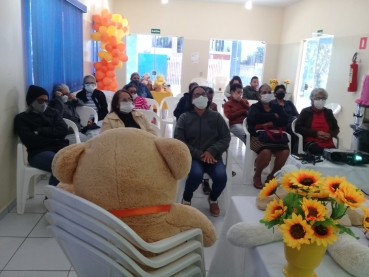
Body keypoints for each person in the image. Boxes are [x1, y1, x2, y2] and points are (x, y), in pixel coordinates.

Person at [175, 86, 231, 217]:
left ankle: (213, 199)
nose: (200, 97)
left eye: (203, 94)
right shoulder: (184, 117)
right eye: (196, 95)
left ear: (207, 97)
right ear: (191, 98)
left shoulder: (216, 117)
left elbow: (226, 137)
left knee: (221, 177)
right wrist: (198, 154)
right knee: (195, 175)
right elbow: (179, 140)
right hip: (193, 156)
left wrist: (212, 150)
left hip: (213, 156)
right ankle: (187, 198)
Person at [14, 85, 69, 186]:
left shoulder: (53, 112)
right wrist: (54, 137)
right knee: (60, 164)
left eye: (46, 101)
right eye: (40, 100)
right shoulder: (22, 119)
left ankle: (70, 196)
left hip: (59, 148)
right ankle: (51, 199)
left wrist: (40, 131)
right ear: (31, 101)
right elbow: (31, 140)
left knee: (78, 161)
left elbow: (63, 130)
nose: (44, 104)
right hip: (38, 153)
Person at [247, 84, 290, 189]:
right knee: (266, 152)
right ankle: (257, 175)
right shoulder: (255, 107)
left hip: (275, 136)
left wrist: (268, 122)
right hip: (258, 136)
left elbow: (284, 120)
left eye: (269, 92)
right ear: (259, 95)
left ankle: (272, 176)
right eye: (264, 92)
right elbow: (254, 118)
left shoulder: (277, 107)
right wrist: (273, 116)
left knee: (285, 152)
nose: (267, 95)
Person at [295, 88, 339, 155]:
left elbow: (336, 129)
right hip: (310, 141)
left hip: (327, 141)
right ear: (312, 100)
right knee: (320, 152)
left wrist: (330, 134)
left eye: (323, 98)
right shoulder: (306, 111)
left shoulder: (328, 112)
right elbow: (298, 127)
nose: (320, 100)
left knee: (336, 155)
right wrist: (316, 133)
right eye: (318, 98)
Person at [270, 84, 299, 152]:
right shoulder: (272, 103)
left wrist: (295, 119)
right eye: (279, 91)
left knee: (299, 127)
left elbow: (296, 114)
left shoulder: (289, 103)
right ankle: (292, 150)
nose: (281, 93)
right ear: (275, 94)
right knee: (291, 127)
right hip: (281, 124)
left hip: (292, 122)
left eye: (283, 91)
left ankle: (301, 148)